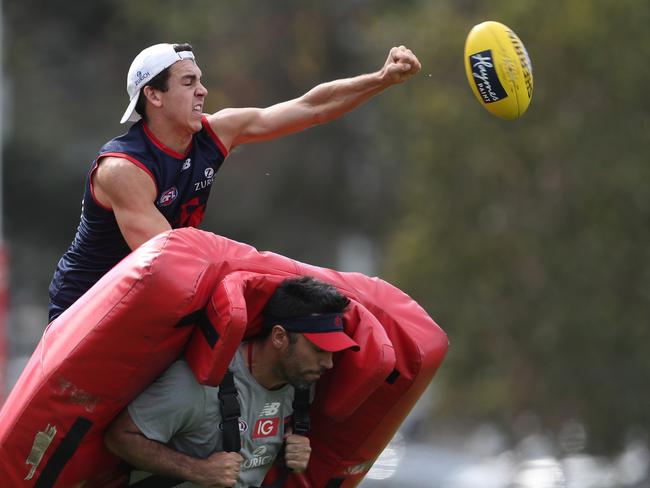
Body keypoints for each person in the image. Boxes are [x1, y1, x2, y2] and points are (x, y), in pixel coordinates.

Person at [47, 42, 421, 322]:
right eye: (188, 82)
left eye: (201, 81)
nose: (202, 91)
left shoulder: (216, 132)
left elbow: (311, 108)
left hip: (152, 298)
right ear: (153, 95)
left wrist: (381, 78)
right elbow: (166, 261)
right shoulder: (123, 168)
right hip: (84, 305)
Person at [104, 276, 359, 488]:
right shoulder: (199, 385)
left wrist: (287, 451)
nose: (329, 364)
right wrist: (197, 470)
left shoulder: (301, 386)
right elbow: (120, 437)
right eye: (318, 350)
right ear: (279, 337)